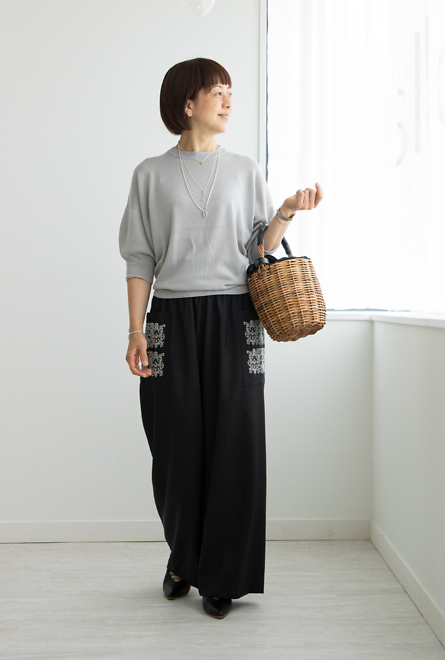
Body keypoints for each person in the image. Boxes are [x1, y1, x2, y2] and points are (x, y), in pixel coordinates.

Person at [118, 57, 323, 620]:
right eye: (217, 91)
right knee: (175, 446)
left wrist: (285, 212)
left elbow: (258, 247)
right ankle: (183, 559)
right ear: (188, 104)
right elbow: (139, 258)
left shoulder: (244, 169)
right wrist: (135, 329)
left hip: (236, 317)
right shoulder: (149, 175)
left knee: (236, 442)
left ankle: (223, 575)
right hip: (169, 318)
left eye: (231, 91)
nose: (229, 101)